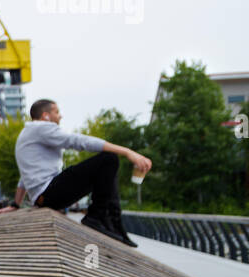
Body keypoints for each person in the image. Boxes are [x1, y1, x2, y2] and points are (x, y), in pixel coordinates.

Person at [12, 98, 150, 246]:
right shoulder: (41, 128)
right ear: (46, 116)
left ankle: (114, 222)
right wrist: (128, 152)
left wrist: (15, 204)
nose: (60, 116)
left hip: (44, 197)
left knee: (106, 167)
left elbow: (24, 175)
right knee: (109, 159)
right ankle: (98, 217)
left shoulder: (28, 133)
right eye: (56, 112)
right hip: (49, 194)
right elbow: (78, 141)